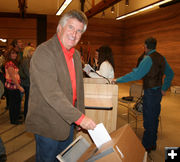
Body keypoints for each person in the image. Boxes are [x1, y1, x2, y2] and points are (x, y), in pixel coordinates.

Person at [25, 10, 96, 162]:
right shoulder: (44, 52)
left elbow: (79, 91)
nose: (74, 34)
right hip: (48, 125)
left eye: (78, 31)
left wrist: (79, 116)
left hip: (68, 123)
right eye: (71, 27)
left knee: (65, 159)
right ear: (60, 28)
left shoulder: (76, 56)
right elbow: (52, 93)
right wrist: (80, 118)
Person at [113, 37, 174, 153]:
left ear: (145, 47)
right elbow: (170, 74)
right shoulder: (162, 58)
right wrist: (164, 88)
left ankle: (146, 146)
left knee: (148, 120)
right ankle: (153, 143)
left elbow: (135, 75)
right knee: (154, 118)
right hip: (157, 93)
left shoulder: (147, 59)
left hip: (150, 93)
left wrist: (118, 80)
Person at [5, 48, 24, 124]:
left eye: (15, 53)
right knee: (13, 104)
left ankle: (15, 117)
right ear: (9, 55)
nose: (14, 55)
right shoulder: (9, 64)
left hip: (14, 86)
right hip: (12, 87)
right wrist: (19, 87)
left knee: (16, 103)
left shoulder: (13, 63)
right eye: (12, 53)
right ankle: (14, 120)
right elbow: (12, 77)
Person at [19, 46, 35, 119]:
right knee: (28, 100)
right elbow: (28, 73)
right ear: (28, 52)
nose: (33, 52)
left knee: (29, 100)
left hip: (28, 82)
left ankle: (27, 115)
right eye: (32, 51)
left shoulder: (29, 60)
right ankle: (27, 116)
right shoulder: (26, 60)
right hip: (27, 83)